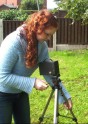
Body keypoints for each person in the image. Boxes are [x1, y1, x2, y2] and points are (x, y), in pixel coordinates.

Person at [0, 9, 72, 123]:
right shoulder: (13, 42)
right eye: (47, 34)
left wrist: (64, 96)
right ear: (37, 27)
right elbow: (2, 77)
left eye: (51, 35)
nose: (48, 38)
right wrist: (32, 82)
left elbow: (49, 72)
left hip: (21, 92)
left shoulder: (41, 46)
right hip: (2, 94)